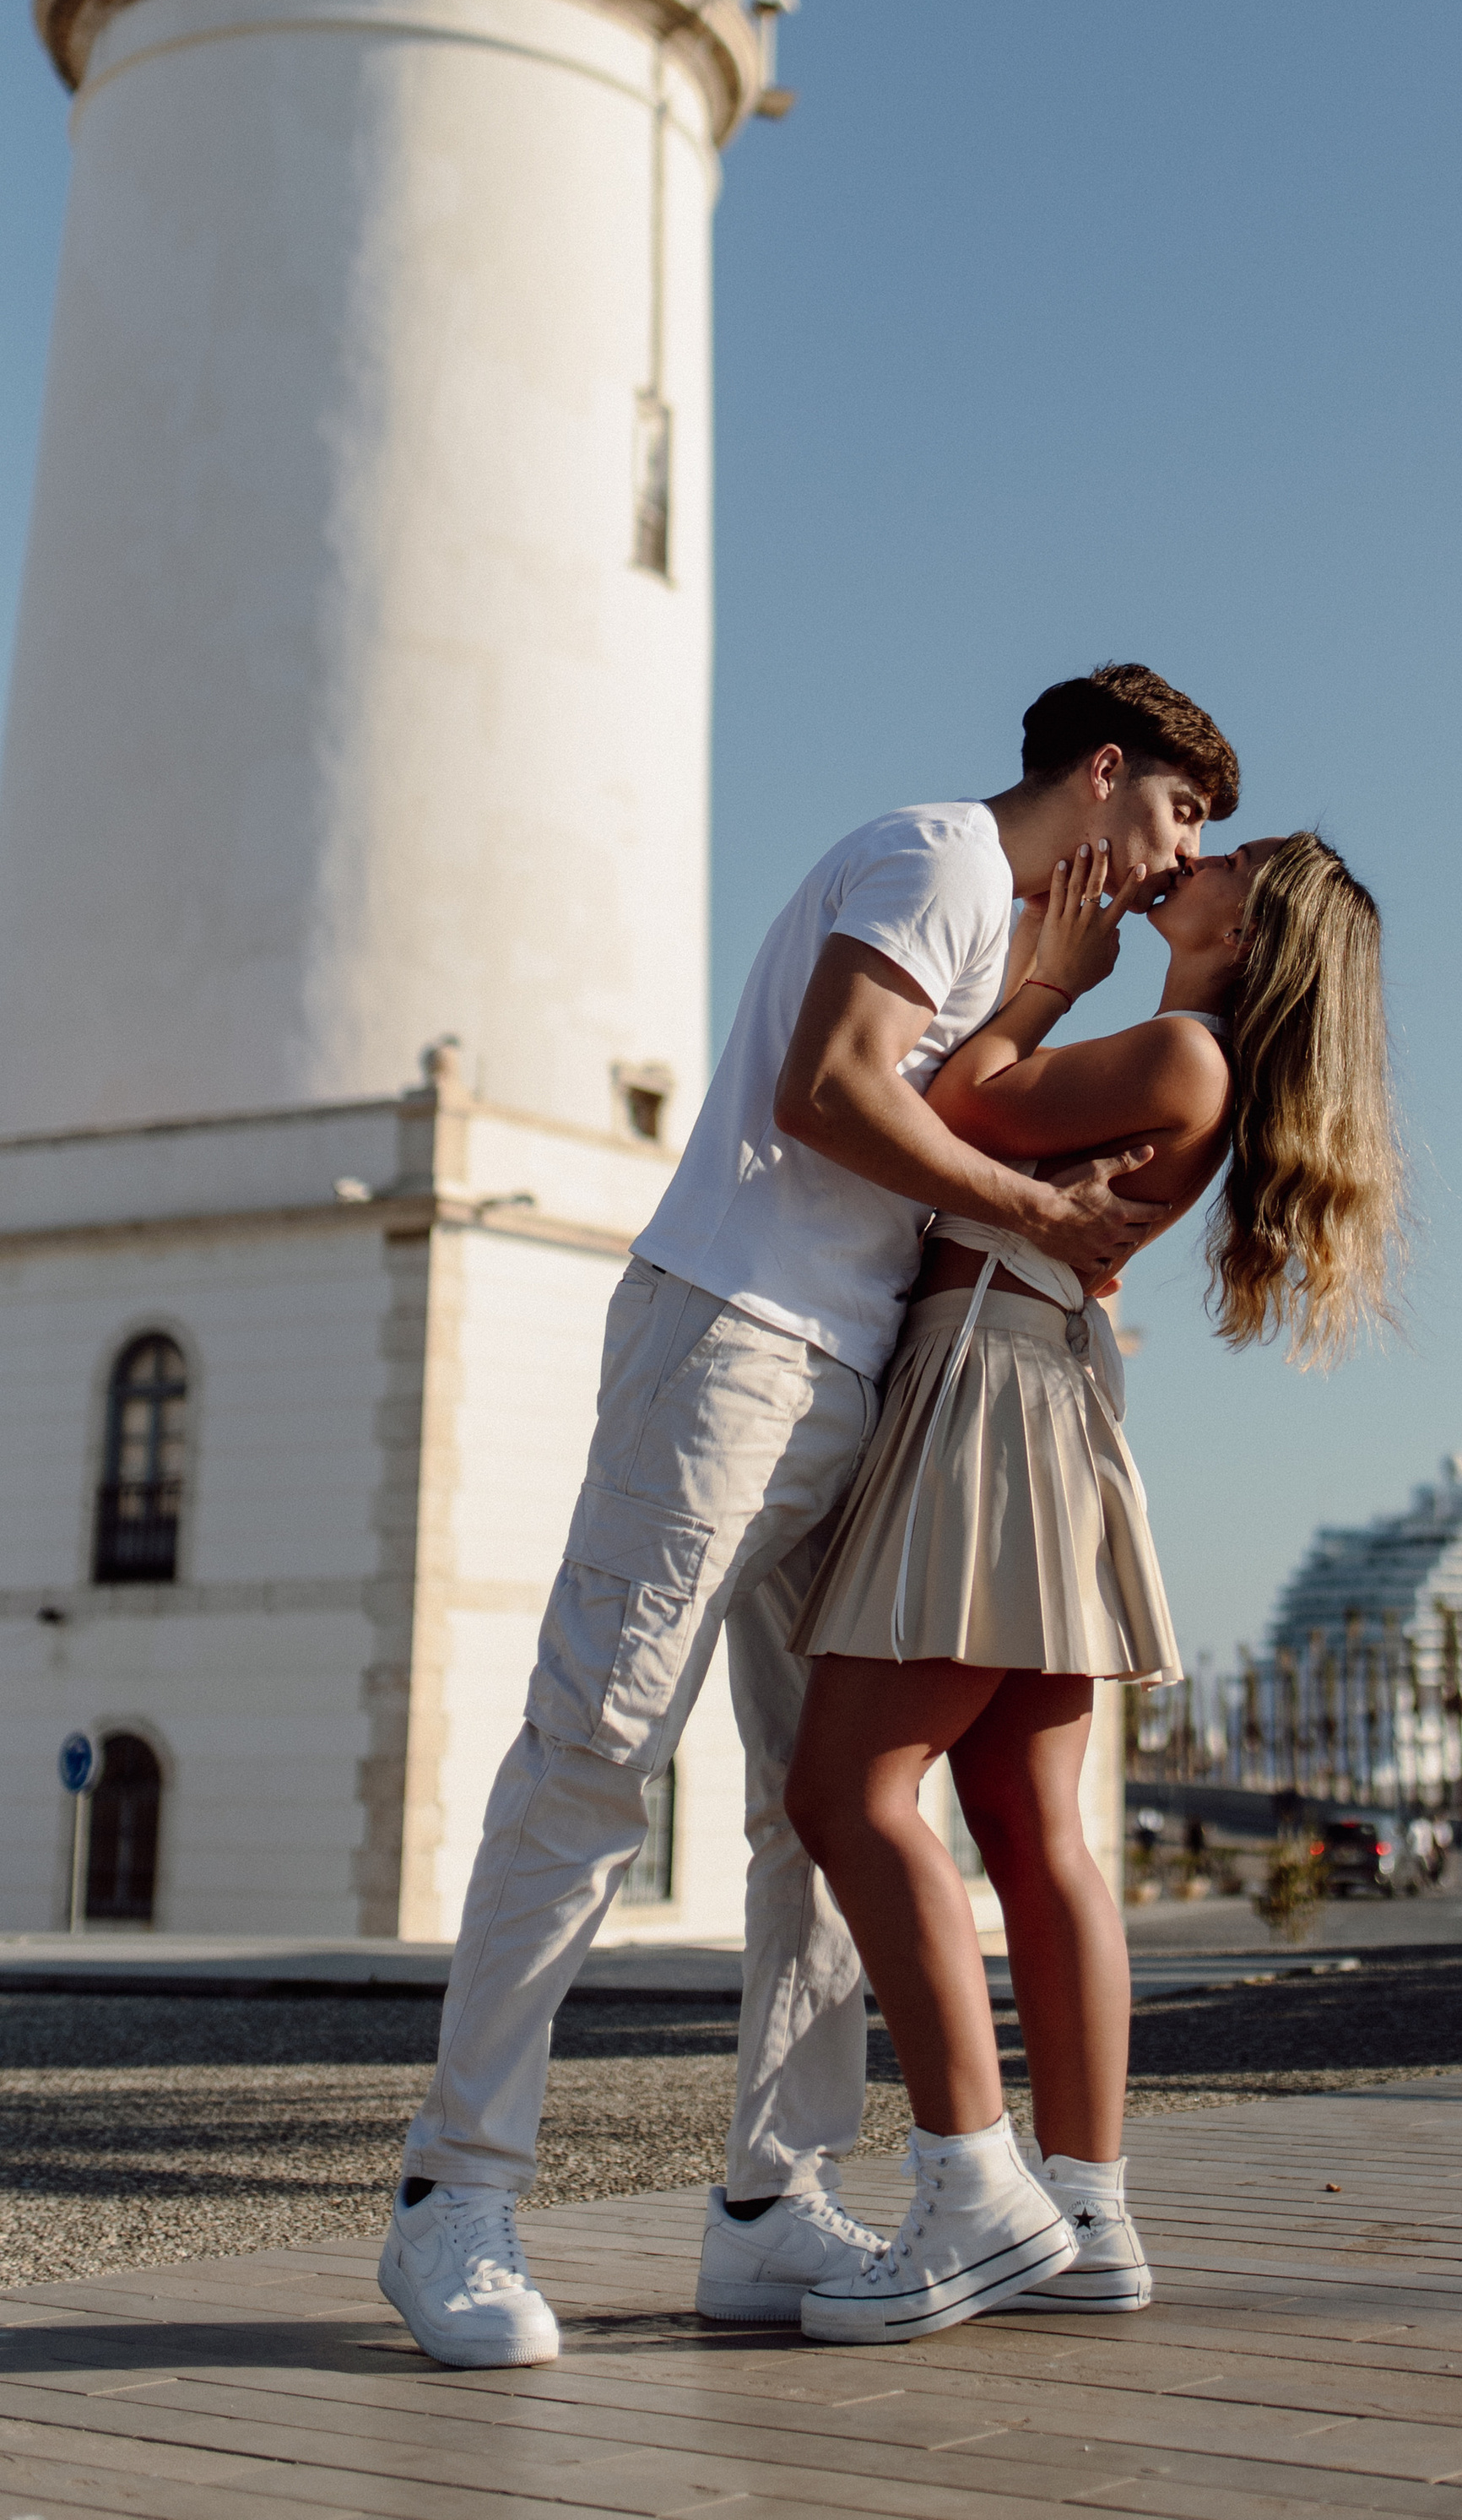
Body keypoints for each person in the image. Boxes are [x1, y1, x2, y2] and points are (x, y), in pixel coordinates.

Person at [377, 665, 1238, 2370]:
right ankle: (451, 2198)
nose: (1181, 855)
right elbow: (829, 1087)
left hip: (855, 1377)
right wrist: (1031, 1208)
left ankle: (771, 2203)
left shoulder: (1021, 939)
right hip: (735, 1332)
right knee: (595, 1753)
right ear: (1104, 769)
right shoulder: (940, 858)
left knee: (817, 1811)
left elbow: (959, 1117)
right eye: (1180, 812)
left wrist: (1045, 1061)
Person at [782, 827, 1404, 2344]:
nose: (1197, 858)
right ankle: (1087, 2207)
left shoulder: (1181, 1053)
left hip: (989, 1392)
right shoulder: (1192, 1060)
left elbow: (943, 1107)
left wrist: (1050, 979)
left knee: (849, 1792)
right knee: (1024, 1821)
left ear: (1246, 936)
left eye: (1231, 861)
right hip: (1035, 1389)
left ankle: (968, 2193)